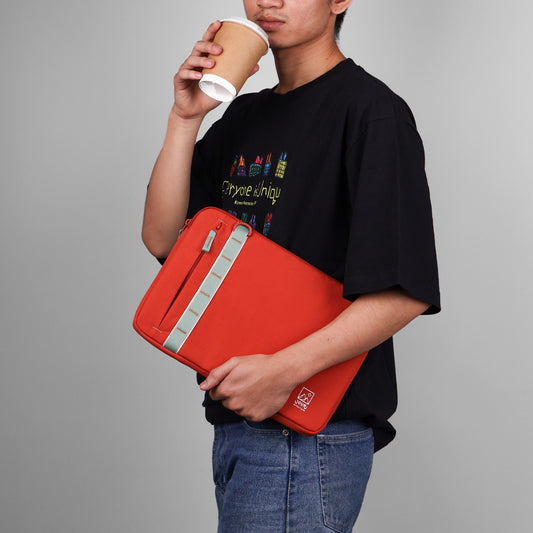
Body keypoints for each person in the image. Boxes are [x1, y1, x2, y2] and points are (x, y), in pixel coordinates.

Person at [142, 1, 440, 531]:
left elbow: (403, 291)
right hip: (240, 422)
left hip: (305, 432)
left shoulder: (371, 111)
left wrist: (283, 372)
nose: (269, 1)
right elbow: (163, 240)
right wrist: (184, 119)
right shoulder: (244, 116)